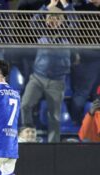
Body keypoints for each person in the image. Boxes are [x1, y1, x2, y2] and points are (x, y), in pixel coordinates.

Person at [21, 0, 74, 143]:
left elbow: (75, 22)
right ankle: (28, 133)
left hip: (57, 81)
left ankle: (53, 145)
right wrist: (47, 7)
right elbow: (33, 22)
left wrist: (66, 5)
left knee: (55, 116)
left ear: (62, 21)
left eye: (57, 19)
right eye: (50, 18)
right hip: (38, 77)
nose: (53, 21)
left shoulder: (69, 34)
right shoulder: (41, 32)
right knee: (25, 105)